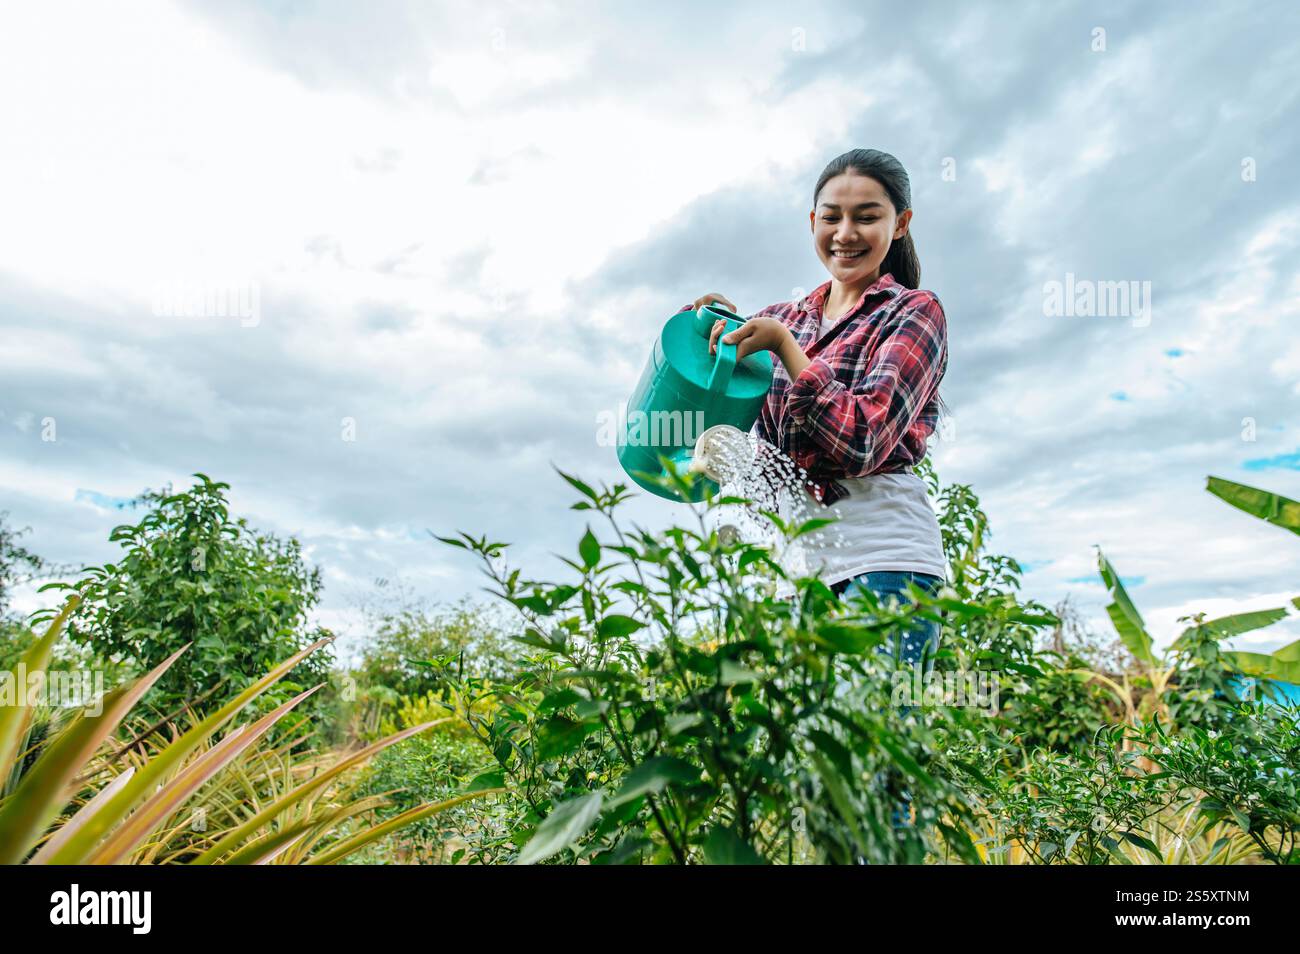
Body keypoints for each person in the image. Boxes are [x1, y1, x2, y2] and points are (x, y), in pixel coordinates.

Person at [684, 148, 949, 668]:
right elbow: (696, 372)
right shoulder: (787, 317)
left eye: (867, 217)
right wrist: (703, 317)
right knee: (801, 745)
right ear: (813, 222)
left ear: (900, 225)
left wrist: (785, 348)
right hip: (799, 573)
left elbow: (862, 441)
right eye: (832, 217)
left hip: (886, 563)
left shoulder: (914, 313)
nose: (845, 233)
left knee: (868, 735)